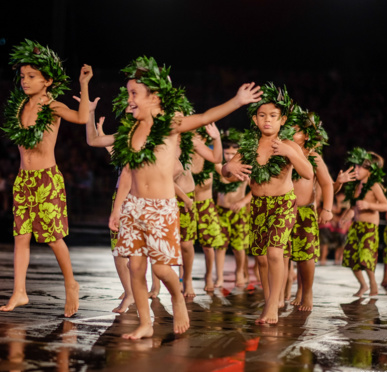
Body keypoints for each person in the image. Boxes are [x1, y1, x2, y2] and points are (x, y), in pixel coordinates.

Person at [85, 56, 262, 339]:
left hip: (161, 208)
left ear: (154, 98)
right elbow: (128, 173)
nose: (128, 99)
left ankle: (177, 297)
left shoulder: (169, 126)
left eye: (134, 94)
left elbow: (204, 118)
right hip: (133, 206)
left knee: (162, 268)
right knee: (135, 266)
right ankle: (145, 322)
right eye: (128, 92)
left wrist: (237, 101)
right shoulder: (132, 131)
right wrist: (117, 210)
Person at [0, 40, 92, 317]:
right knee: (21, 237)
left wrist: (84, 85)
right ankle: (19, 291)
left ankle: (70, 283)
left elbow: (82, 117)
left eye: (31, 77)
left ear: (48, 80)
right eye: (23, 76)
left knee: (52, 238)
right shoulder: (19, 107)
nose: (24, 81)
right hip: (23, 179)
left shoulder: (51, 106)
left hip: (46, 179)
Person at [222, 83, 313, 324]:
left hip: (283, 204)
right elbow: (226, 173)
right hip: (259, 206)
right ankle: (270, 298)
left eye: (273, 116)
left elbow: (308, 173)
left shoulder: (289, 145)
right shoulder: (249, 146)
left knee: (275, 253)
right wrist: (228, 167)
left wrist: (291, 153)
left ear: (282, 119)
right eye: (262, 115)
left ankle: (273, 305)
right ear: (254, 119)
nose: (267, 120)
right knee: (261, 257)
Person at [287, 111, 333, 311]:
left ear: (306, 135)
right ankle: (288, 292)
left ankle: (307, 292)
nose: (290, 134)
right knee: (285, 254)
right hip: (284, 210)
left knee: (305, 256)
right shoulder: (282, 153)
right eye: (288, 130)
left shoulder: (314, 157)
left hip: (305, 212)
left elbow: (327, 184)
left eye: (295, 131)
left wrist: (327, 209)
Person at [340, 148, 387, 297]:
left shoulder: (374, 186)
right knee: (351, 258)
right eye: (356, 166)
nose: (356, 169)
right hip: (356, 226)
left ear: (370, 170)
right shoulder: (357, 186)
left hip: (369, 228)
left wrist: (370, 205)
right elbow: (354, 205)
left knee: (366, 258)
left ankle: (373, 284)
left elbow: (385, 205)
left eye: (360, 167)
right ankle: (363, 285)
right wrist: (348, 214)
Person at [214, 128, 251, 288]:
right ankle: (220, 277)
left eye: (233, 153)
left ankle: (239, 273)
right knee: (220, 246)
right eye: (227, 153)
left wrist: (243, 201)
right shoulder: (219, 166)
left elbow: (256, 189)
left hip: (239, 211)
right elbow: (225, 175)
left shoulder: (245, 168)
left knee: (239, 247)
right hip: (222, 210)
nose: (229, 156)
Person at [191, 125, 224, 290]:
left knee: (208, 245)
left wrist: (235, 170)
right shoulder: (181, 156)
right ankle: (185, 277)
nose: (193, 137)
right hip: (185, 204)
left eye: (197, 134)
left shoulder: (210, 159)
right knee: (184, 243)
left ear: (204, 138)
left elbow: (225, 172)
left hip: (205, 205)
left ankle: (209, 276)